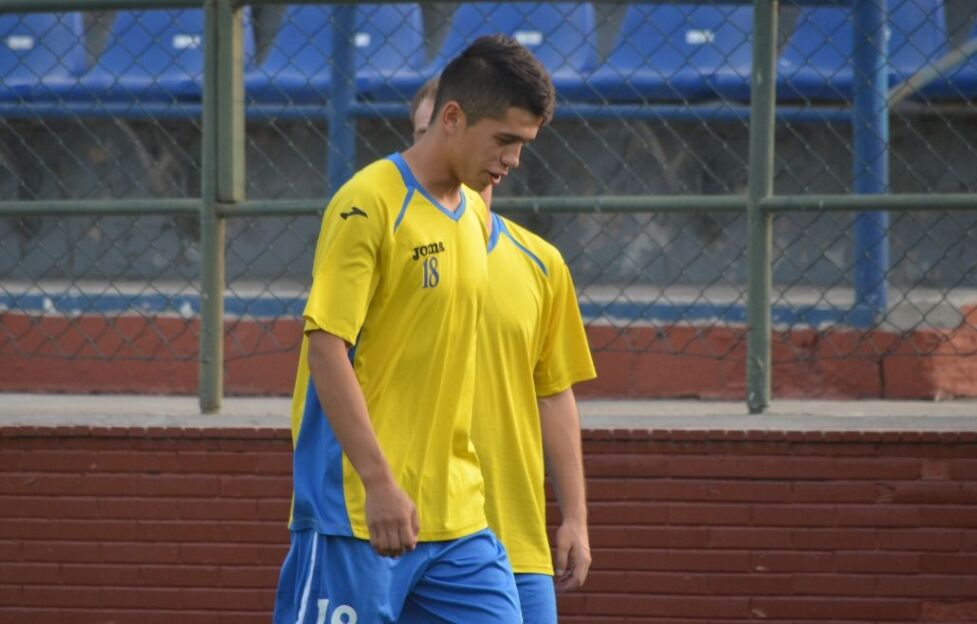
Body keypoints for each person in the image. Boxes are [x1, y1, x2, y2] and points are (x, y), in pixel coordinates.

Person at [273, 35, 555, 624]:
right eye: (504, 140)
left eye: (524, 145)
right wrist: (378, 483)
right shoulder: (367, 204)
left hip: (458, 521)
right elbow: (326, 350)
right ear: (452, 118)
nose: (513, 160)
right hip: (358, 513)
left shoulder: (473, 214)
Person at [411, 76, 597, 624]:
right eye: (420, 134)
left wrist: (576, 517)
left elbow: (553, 394)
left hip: (514, 537)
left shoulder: (541, 264)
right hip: (410, 535)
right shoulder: (391, 246)